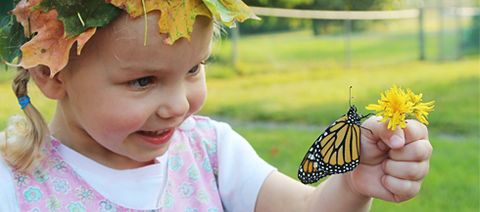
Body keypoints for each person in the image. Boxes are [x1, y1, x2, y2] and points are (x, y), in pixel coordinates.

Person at [0, 0, 432, 211]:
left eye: (194, 69)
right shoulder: (15, 186)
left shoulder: (211, 152)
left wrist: (351, 185)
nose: (178, 105)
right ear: (51, 74)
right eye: (143, 80)